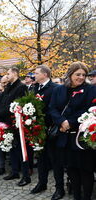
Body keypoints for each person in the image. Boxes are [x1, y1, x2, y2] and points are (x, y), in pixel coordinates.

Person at [49, 62, 96, 200]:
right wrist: (61, 121)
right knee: (71, 169)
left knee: (85, 170)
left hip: (81, 137)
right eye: (78, 74)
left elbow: (88, 109)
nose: (81, 77)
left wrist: (70, 122)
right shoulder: (59, 89)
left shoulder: (90, 89)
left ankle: (86, 197)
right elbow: (52, 108)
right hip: (64, 137)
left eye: (83, 75)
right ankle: (76, 196)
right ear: (70, 74)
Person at [0, 67, 30, 186]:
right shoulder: (8, 87)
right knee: (12, 149)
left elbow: (16, 105)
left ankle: (26, 175)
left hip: (17, 123)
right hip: (7, 122)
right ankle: (14, 171)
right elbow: (3, 102)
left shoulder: (21, 87)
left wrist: (2, 113)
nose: (7, 75)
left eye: (8, 73)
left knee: (21, 150)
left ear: (15, 73)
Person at [30, 65, 58, 194]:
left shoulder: (55, 88)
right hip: (37, 129)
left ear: (45, 74)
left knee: (54, 160)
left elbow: (54, 109)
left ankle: (59, 188)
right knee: (41, 158)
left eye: (36, 73)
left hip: (50, 130)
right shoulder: (36, 88)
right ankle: (42, 183)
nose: (33, 75)